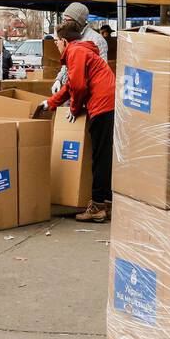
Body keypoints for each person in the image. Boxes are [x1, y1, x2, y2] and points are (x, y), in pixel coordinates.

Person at [41, 25, 115, 222]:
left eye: (56, 41)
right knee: (103, 154)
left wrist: (74, 109)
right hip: (105, 102)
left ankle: (98, 206)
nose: (55, 44)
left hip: (102, 105)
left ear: (64, 41)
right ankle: (106, 201)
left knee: (100, 156)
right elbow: (71, 84)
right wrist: (51, 102)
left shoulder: (75, 52)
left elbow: (78, 86)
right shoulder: (80, 51)